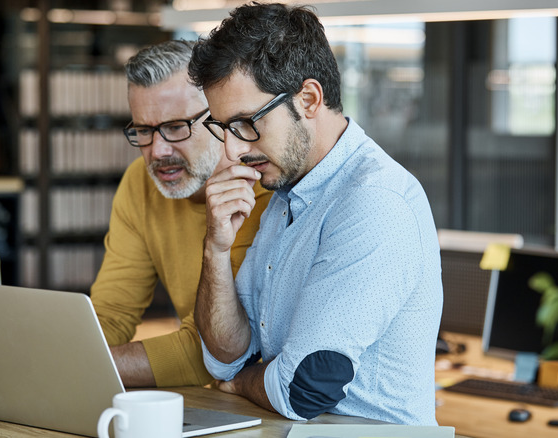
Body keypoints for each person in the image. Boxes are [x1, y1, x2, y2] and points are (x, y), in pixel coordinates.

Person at [189, 3, 442, 425]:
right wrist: (215, 249)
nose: (232, 151)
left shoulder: (374, 202)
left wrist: (243, 384)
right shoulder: (286, 194)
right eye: (223, 129)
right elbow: (226, 359)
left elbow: (303, 389)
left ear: (308, 99)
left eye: (246, 124)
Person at [90, 40, 271, 388]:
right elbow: (110, 315)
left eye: (176, 127)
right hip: (211, 401)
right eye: (144, 130)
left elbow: (212, 351)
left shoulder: (261, 190)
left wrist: (83, 365)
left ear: (218, 117)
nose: (158, 151)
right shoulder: (139, 184)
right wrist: (52, 354)